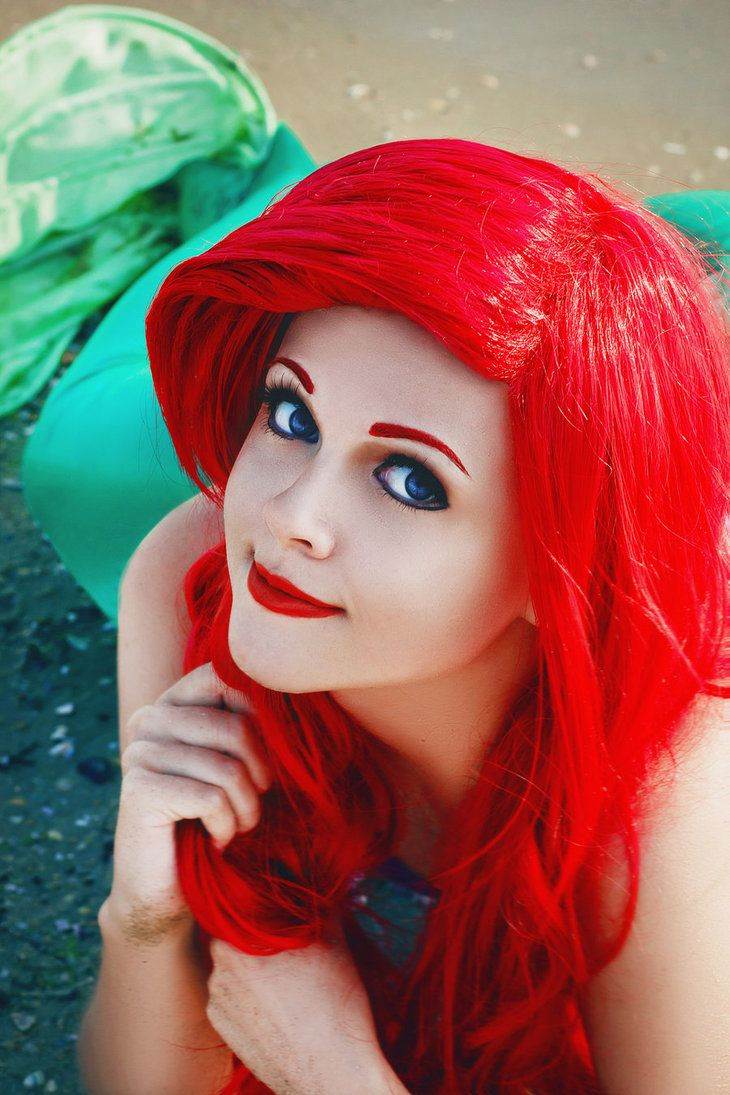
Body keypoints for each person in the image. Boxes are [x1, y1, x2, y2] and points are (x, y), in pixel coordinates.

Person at [78, 138, 729, 1094]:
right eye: (290, 415)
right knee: (76, 463)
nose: (290, 517)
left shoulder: (670, 797)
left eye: (411, 480)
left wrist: (335, 1072)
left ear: (560, 568)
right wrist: (144, 918)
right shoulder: (191, 574)